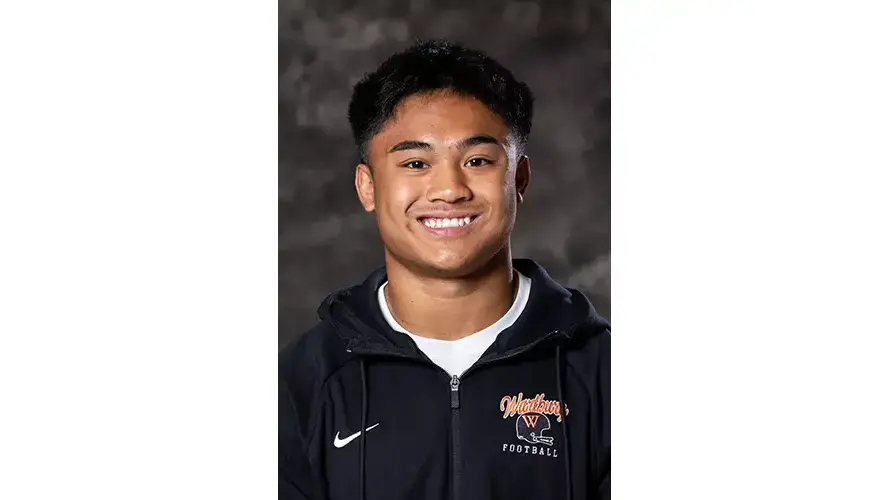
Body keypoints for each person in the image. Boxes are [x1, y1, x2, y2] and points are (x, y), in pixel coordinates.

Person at [279, 39, 610, 500]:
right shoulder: (302, 382)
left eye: (477, 161)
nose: (450, 189)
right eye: (416, 163)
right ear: (367, 186)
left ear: (519, 179)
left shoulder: (604, 370)